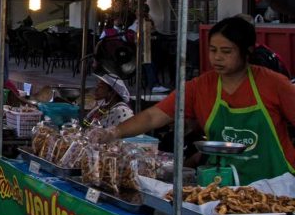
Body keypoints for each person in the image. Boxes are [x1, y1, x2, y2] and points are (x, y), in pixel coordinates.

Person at [107, 16, 295, 183]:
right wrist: (113, 132)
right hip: (223, 185)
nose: (218, 57)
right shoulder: (201, 87)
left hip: (277, 186)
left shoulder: (274, 83)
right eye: (213, 50)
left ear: (248, 51)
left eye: (226, 51)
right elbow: (153, 116)